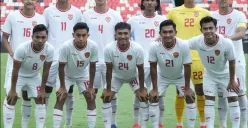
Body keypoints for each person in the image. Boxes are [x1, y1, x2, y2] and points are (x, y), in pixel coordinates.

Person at [188, 16, 240, 128]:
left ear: (216, 28)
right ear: (201, 30)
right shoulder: (197, 41)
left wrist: (232, 80)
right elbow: (182, 44)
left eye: (210, 28)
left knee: (233, 98)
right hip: (209, 75)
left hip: (226, 74)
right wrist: (162, 38)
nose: (208, 31)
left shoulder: (226, 43)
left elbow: (232, 61)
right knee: (209, 99)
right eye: (205, 29)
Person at [1, 0, 46, 127]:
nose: (30, 1)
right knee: (11, 96)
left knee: (28, 96)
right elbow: (5, 38)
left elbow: (44, 38)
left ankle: (24, 125)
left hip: (33, 66)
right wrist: (11, 53)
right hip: (15, 64)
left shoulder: (41, 18)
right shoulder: (12, 16)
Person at [166, 0, 210, 127]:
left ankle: (203, 123)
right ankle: (179, 123)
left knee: (200, 90)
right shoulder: (173, 12)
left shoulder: (205, 12)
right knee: (180, 91)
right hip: (179, 57)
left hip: (199, 58)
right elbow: (167, 30)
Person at [3, 24, 54, 128]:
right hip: (19, 76)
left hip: (34, 76)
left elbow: (46, 71)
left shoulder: (50, 49)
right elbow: (15, 70)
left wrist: (43, 89)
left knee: (41, 99)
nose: (40, 40)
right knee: (10, 99)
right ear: (32, 37)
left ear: (47, 38)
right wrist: (13, 89)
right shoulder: (22, 48)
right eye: (37, 37)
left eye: (43, 37)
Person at [81, 0, 123, 127]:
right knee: (91, 94)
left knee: (111, 93)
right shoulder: (86, 15)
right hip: (92, 61)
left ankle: (112, 124)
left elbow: (121, 37)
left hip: (110, 60)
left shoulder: (115, 15)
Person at [149, 20, 196, 128]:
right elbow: (153, 67)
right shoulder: (154, 46)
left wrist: (187, 88)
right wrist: (155, 89)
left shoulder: (183, 45)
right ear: (160, 33)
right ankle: (156, 126)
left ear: (175, 32)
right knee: (153, 97)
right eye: (164, 32)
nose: (168, 35)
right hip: (162, 76)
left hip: (180, 76)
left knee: (190, 97)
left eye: (170, 31)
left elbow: (187, 66)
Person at [101, 22, 148, 128]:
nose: (123, 36)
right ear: (115, 35)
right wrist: (108, 89)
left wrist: (142, 89)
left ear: (130, 35)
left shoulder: (137, 48)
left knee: (143, 97)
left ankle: (137, 124)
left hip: (133, 76)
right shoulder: (109, 48)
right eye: (120, 33)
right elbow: (109, 70)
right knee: (106, 98)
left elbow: (140, 71)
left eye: (125, 33)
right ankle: (111, 125)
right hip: (117, 77)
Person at [43, 0, 81, 127]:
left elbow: (80, 33)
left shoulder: (76, 12)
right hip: (52, 57)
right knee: (46, 89)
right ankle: (41, 122)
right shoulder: (48, 11)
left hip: (70, 57)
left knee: (68, 90)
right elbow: (43, 32)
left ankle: (68, 123)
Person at [127, 0, 165, 127]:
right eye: (146, 0)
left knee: (158, 94)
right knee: (139, 94)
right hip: (140, 64)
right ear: (143, 3)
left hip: (158, 64)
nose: (149, 3)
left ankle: (159, 123)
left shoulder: (163, 20)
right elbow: (124, 38)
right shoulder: (133, 20)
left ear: (156, 3)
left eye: (152, 0)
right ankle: (136, 123)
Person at [52, 22, 98, 128]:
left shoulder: (93, 46)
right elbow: (61, 67)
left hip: (83, 74)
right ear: (73, 35)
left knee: (90, 97)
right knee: (61, 97)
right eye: (78, 35)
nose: (81, 38)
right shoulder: (66, 46)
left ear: (88, 35)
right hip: (66, 75)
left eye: (84, 35)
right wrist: (63, 87)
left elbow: (92, 67)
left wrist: (91, 87)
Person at [211, 0, 248, 127]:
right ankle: (222, 124)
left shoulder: (239, 15)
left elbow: (241, 33)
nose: (222, 1)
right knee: (221, 94)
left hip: (236, 60)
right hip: (219, 61)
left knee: (240, 92)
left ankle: (244, 124)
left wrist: (226, 39)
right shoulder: (212, 16)